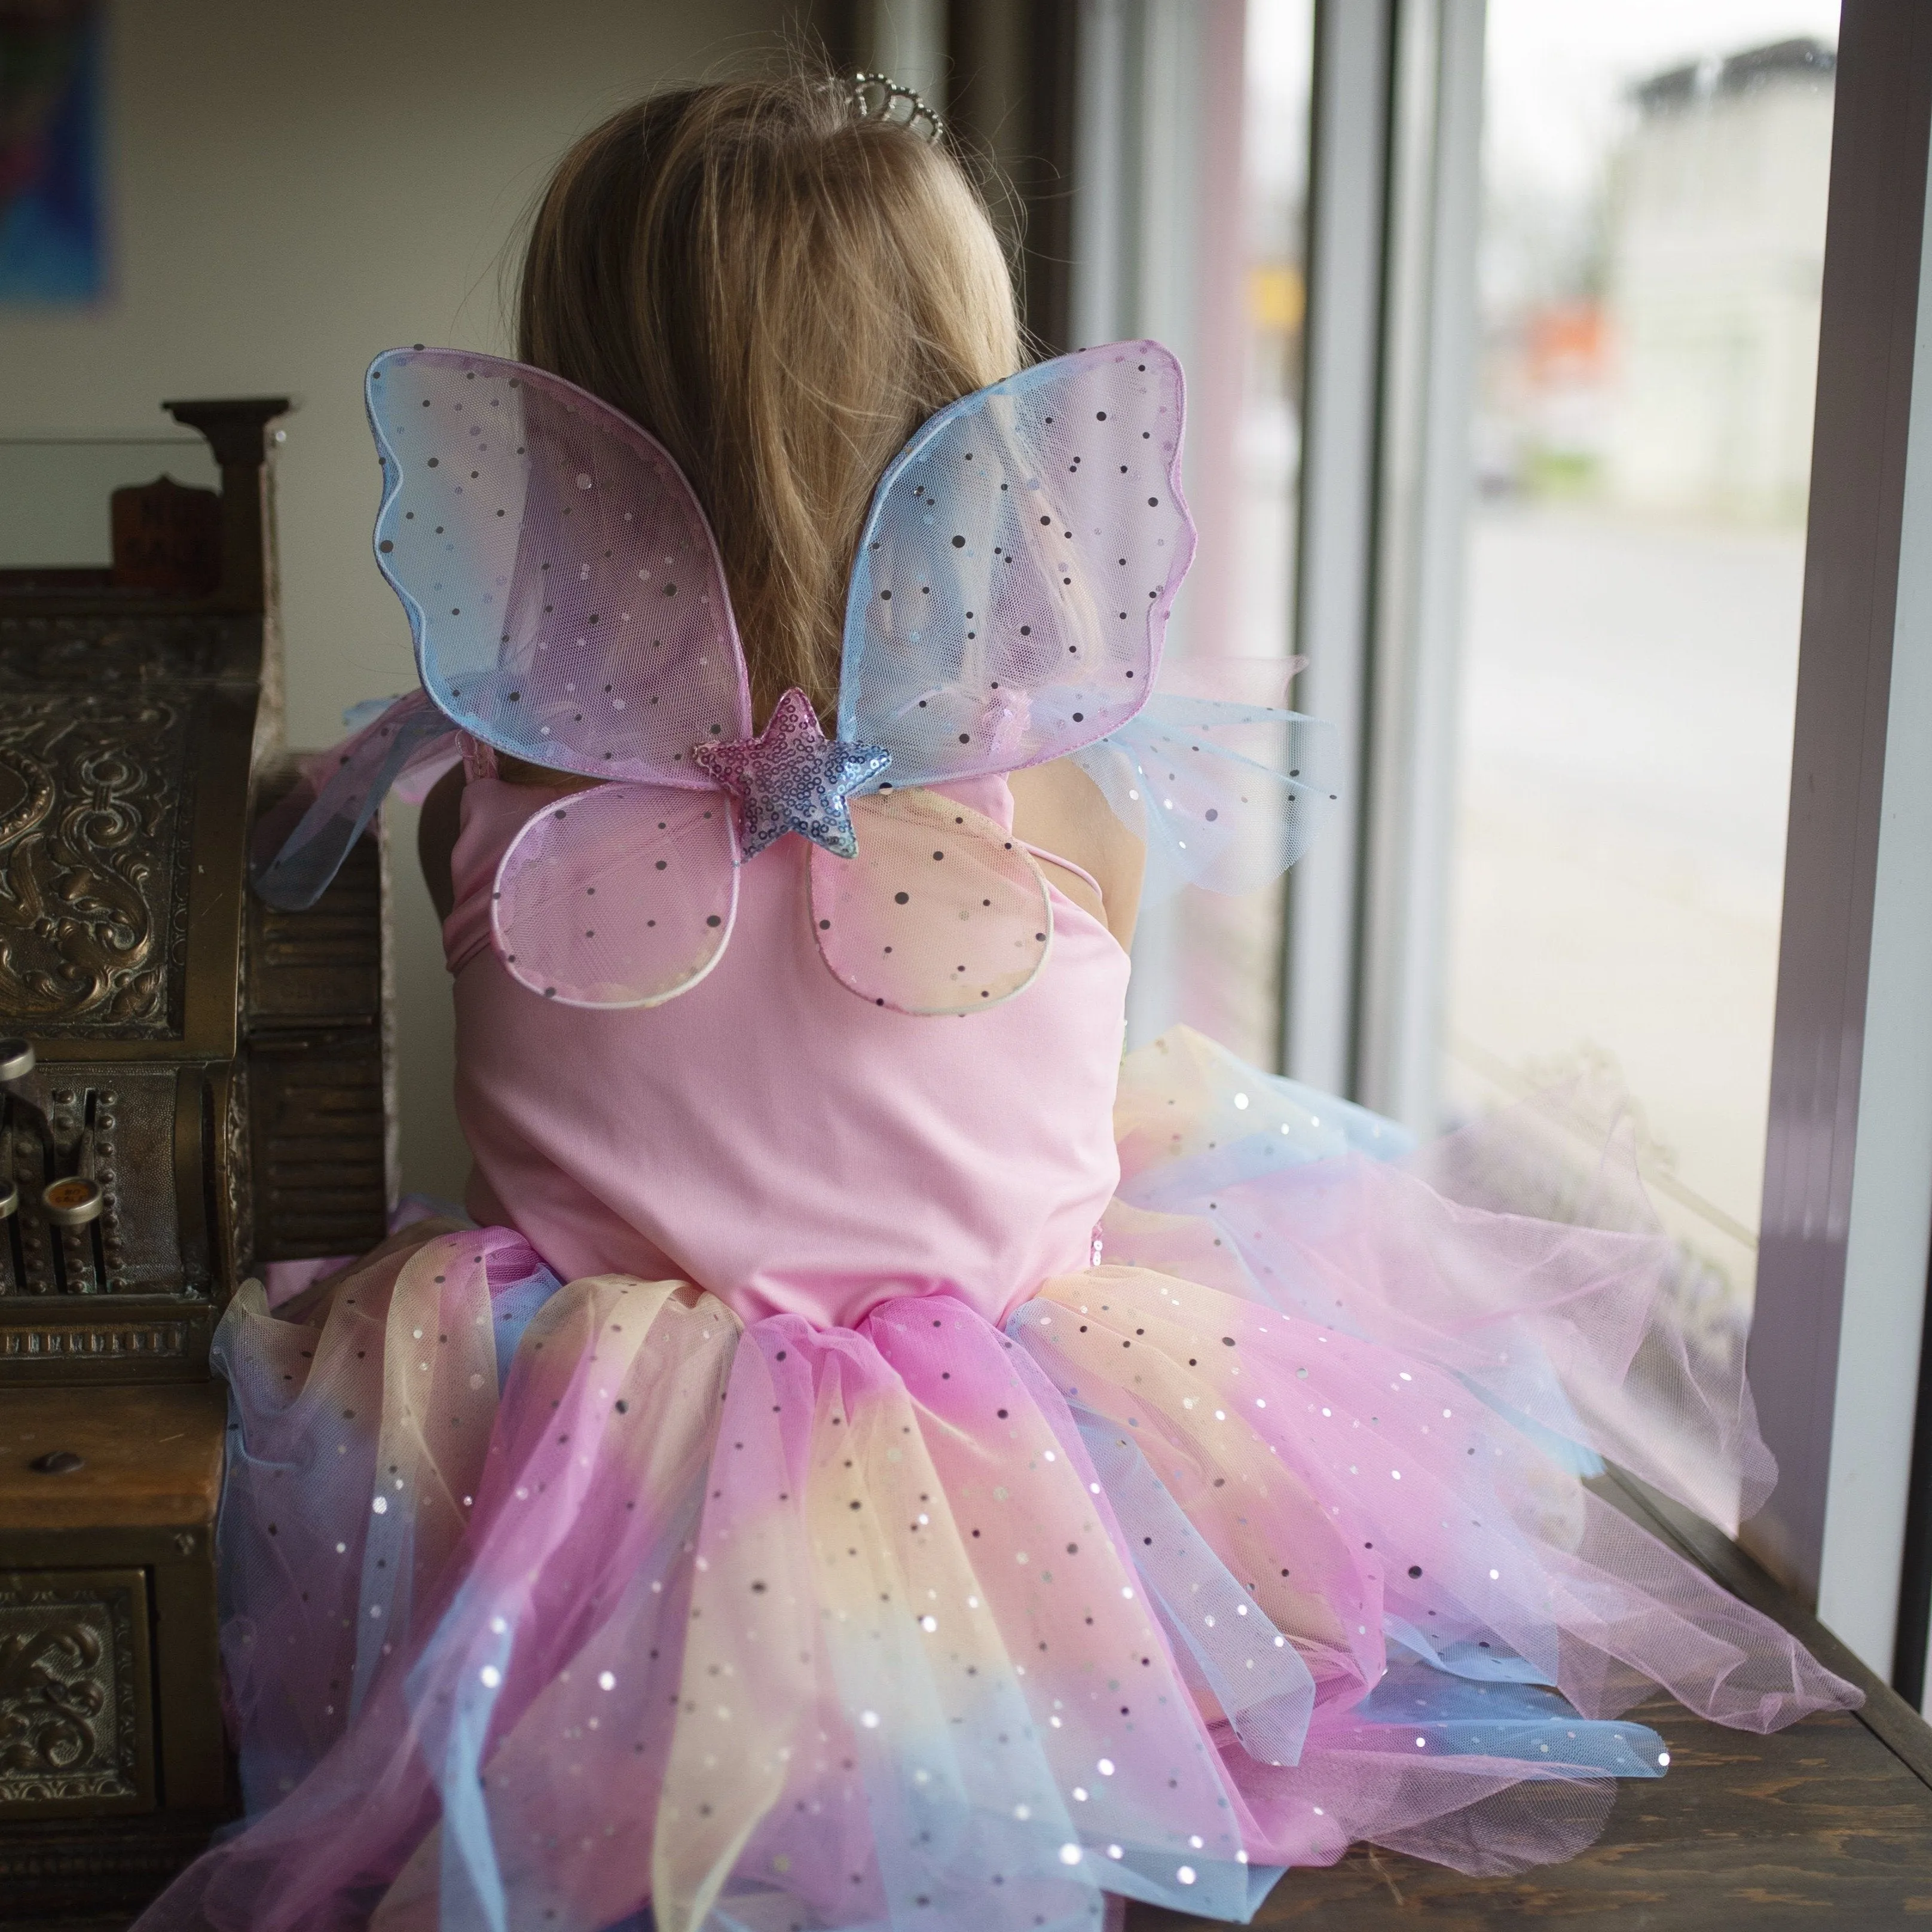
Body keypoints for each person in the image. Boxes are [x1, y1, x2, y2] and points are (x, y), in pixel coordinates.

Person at [138, 70, 1855, 1932]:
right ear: (981, 418)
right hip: (1035, 1530)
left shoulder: (490, 798)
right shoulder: (1072, 787)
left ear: (577, 418)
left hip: (606, 1525)